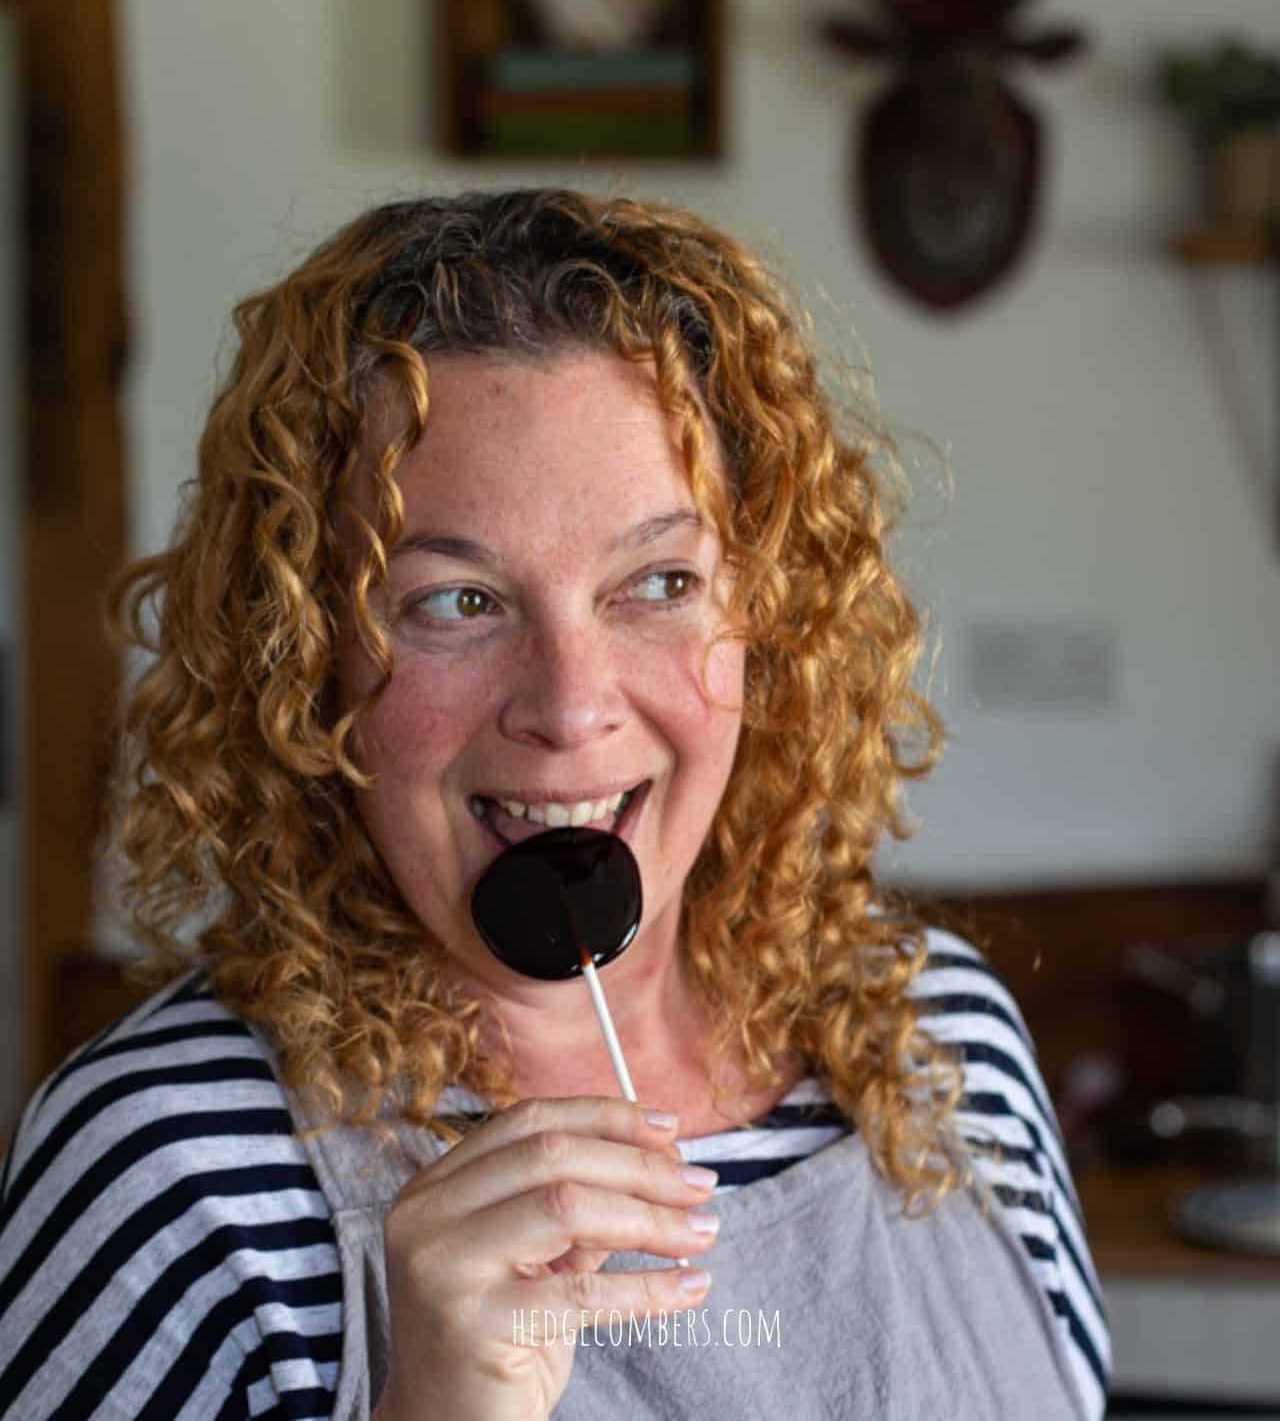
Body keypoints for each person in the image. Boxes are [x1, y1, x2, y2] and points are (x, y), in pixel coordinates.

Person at [0, 188, 1109, 1420]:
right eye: (455, 602)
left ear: (767, 627)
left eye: (658, 581)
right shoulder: (173, 1169)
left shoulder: (942, 1045)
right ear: (301, 659)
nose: (571, 707)